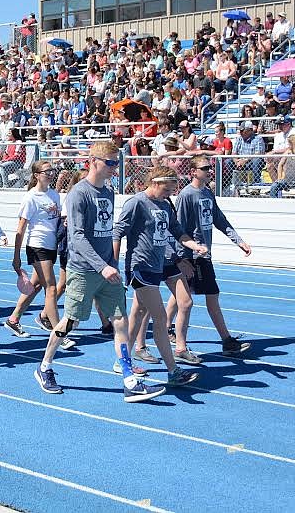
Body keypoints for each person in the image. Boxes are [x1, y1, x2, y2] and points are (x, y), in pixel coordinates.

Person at [32, 141, 166, 403]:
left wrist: (111, 263)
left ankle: (129, 379)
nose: (115, 168)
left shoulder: (108, 192)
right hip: (84, 270)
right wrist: (102, 266)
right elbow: (77, 237)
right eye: (110, 163)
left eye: (117, 163)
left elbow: (108, 233)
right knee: (70, 322)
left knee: (120, 322)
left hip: (107, 270)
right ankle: (45, 366)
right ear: (93, 162)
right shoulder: (78, 194)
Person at [113, 165, 205, 384]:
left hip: (157, 266)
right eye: (166, 191)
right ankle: (173, 371)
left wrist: (194, 246)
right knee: (161, 317)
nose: (168, 195)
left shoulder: (165, 206)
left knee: (138, 312)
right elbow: (117, 232)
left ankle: (121, 361)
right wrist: (113, 265)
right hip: (140, 267)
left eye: (171, 192)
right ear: (154, 183)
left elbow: (177, 231)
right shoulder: (136, 203)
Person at [172, 157, 253, 355]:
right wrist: (182, 258)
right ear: (193, 171)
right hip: (194, 255)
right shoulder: (186, 195)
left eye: (210, 167)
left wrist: (238, 241)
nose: (209, 171)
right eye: (205, 168)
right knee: (211, 296)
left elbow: (219, 219)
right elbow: (178, 228)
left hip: (204, 253)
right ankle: (226, 340)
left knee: (182, 296)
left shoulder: (208, 192)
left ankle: (166, 328)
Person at [6, 161, 66, 344]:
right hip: (36, 245)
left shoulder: (54, 195)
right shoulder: (31, 198)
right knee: (51, 288)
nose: (50, 174)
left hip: (51, 246)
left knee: (35, 285)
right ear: (36, 175)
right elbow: (21, 228)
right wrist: (16, 256)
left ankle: (13, 319)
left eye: (51, 171)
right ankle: (58, 333)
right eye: (46, 171)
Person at [268, 132, 295, 198]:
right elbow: (280, 165)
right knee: (274, 186)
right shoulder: (288, 152)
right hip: (287, 181)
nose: (288, 145)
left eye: (290, 144)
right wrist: (279, 178)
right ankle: (275, 204)